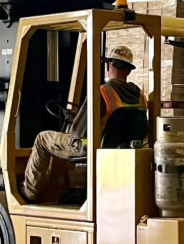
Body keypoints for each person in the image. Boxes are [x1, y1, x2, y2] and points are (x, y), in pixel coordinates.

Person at [22, 44, 147, 203]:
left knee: (42, 139)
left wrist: (75, 119)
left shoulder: (102, 92)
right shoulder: (140, 96)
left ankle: (28, 193)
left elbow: (77, 133)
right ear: (129, 70)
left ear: (108, 65)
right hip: (121, 149)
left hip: (91, 145)